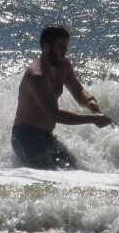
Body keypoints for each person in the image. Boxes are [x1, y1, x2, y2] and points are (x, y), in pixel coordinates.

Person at [11, 24, 112, 169]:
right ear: (46, 47)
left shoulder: (63, 65)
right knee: (47, 174)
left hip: (47, 135)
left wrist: (89, 101)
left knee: (73, 169)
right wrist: (93, 119)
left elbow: (78, 91)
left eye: (66, 45)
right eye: (61, 46)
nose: (66, 50)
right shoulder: (36, 77)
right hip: (26, 137)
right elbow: (55, 114)